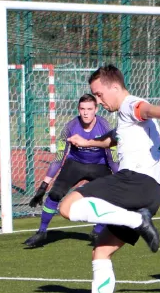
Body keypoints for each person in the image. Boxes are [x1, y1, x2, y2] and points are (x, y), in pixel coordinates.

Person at [57, 64, 160, 293]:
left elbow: (144, 108)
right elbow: (114, 138)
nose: (98, 101)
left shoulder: (129, 104)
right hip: (150, 193)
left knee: (68, 207)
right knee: (101, 251)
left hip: (133, 183)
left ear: (114, 87)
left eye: (99, 95)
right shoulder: (126, 120)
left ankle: (137, 220)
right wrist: (88, 143)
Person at [23, 94, 118, 248]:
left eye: (89, 109)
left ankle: (98, 230)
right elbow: (59, 158)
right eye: (82, 109)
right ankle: (41, 232)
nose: (86, 113)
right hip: (75, 164)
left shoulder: (105, 126)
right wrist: (43, 186)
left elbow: (112, 157)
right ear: (78, 110)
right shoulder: (70, 127)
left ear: (96, 110)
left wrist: (120, 178)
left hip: (100, 166)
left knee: (112, 196)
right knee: (54, 195)